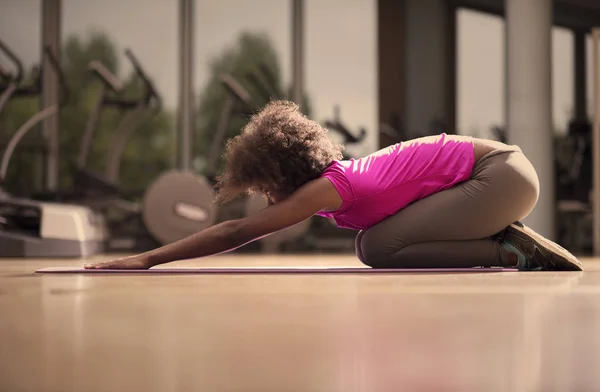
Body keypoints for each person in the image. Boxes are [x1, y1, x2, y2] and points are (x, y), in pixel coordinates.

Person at [86, 100, 583, 271]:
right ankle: (505, 243)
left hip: (499, 175)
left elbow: (237, 231)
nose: (265, 198)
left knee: (379, 247)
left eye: (264, 186)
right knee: (375, 242)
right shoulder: (340, 184)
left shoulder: (328, 189)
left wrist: (148, 257)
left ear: (283, 174)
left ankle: (511, 252)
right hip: (501, 174)